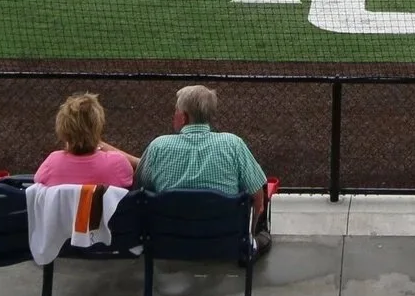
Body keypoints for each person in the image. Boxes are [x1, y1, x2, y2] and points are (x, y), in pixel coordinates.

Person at [138, 84, 271, 246]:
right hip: (224, 245)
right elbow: (258, 199)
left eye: (176, 111)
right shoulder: (233, 144)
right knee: (264, 238)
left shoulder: (158, 146)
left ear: (184, 117)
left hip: (169, 244)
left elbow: (140, 188)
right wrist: (249, 234)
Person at [32, 91, 139, 188]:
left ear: (62, 128)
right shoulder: (117, 164)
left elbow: (38, 182)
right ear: (98, 125)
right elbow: (138, 171)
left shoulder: (52, 163)